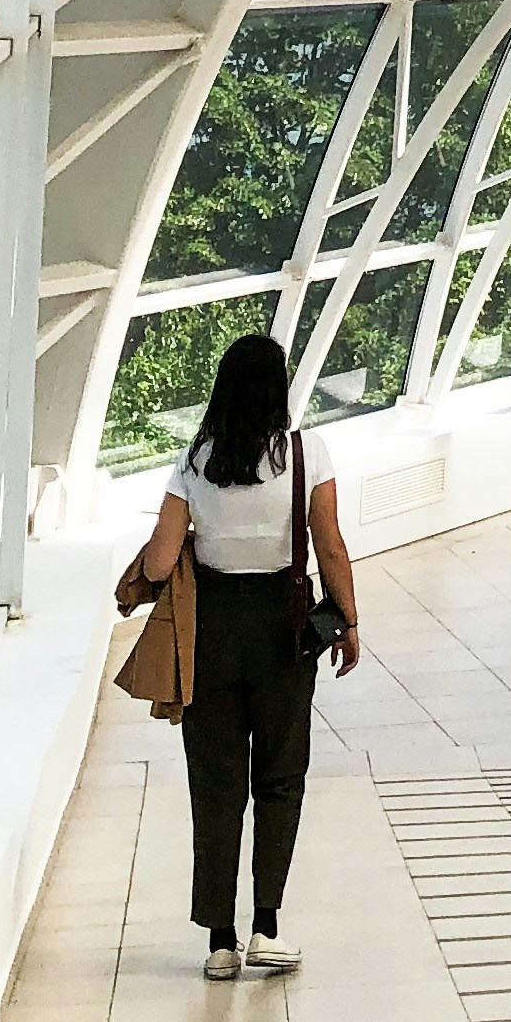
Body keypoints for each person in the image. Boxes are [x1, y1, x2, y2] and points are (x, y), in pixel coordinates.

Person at [131, 333, 362, 977]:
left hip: (210, 631)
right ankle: (267, 927)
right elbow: (331, 547)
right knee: (281, 777)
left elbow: (157, 559)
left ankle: (220, 943)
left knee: (216, 784)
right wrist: (347, 622)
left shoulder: (195, 458)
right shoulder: (306, 452)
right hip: (284, 631)